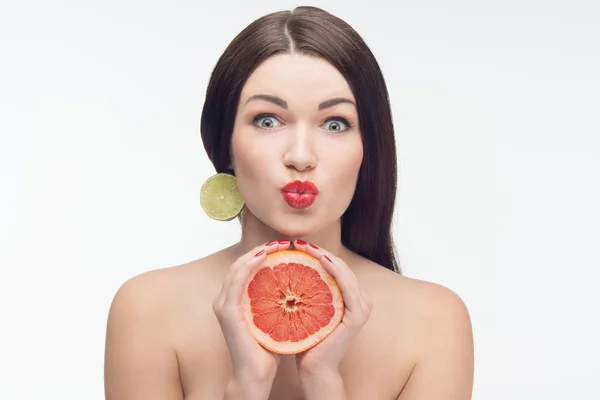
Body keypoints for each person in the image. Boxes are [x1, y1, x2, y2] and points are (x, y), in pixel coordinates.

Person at [104, 6, 474, 399]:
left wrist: (324, 383)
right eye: (267, 120)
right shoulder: (148, 311)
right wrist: (246, 387)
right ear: (224, 143)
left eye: (335, 124)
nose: (301, 155)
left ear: (367, 148)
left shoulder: (434, 322)